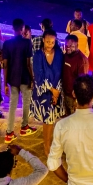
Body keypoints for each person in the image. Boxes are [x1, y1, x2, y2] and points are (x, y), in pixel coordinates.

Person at [1, 19, 36, 143]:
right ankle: (24, 127)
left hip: (12, 78)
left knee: (12, 105)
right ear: (23, 29)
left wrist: (5, 83)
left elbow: (5, 64)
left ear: (12, 28)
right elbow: (28, 64)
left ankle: (9, 133)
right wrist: (33, 78)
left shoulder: (7, 44)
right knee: (26, 102)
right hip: (25, 77)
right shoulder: (27, 43)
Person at [31, 30, 64, 158]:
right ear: (43, 40)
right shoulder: (38, 55)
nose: (50, 44)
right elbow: (38, 76)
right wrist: (52, 90)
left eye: (52, 42)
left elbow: (61, 72)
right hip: (44, 92)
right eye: (48, 41)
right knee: (48, 120)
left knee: (52, 120)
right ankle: (47, 146)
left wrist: (57, 92)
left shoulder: (59, 54)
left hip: (57, 90)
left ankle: (50, 143)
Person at [61, 36, 89, 115]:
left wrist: (77, 99)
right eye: (66, 46)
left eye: (71, 46)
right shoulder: (66, 55)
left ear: (77, 45)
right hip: (65, 93)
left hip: (73, 97)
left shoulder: (81, 60)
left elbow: (82, 82)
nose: (68, 48)